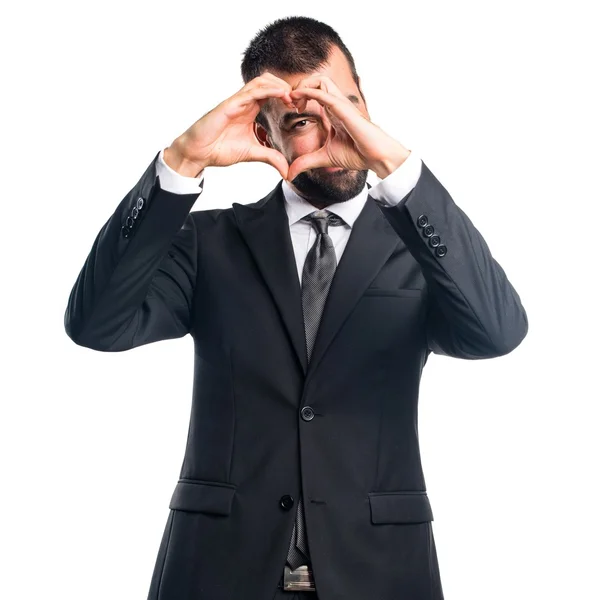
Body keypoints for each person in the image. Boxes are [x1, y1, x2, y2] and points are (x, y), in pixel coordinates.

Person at [64, 15, 528, 600]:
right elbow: (94, 323)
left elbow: (499, 330)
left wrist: (398, 170)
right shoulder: (211, 243)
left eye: (347, 104)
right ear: (266, 134)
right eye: (307, 119)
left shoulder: (419, 245)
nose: (337, 133)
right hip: (219, 573)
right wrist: (181, 163)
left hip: (381, 573)